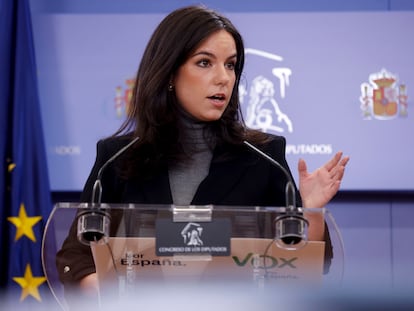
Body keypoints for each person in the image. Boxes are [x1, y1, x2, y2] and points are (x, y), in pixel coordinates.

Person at [56, 4, 349, 300]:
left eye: (231, 65)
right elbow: (76, 256)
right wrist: (114, 295)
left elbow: (308, 266)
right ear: (169, 71)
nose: (223, 77)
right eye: (205, 63)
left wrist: (310, 211)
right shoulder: (118, 157)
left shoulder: (264, 156)